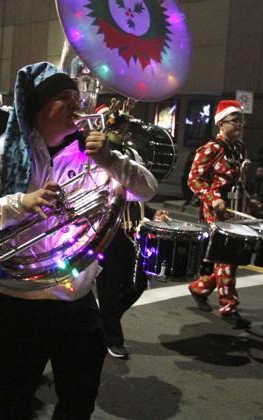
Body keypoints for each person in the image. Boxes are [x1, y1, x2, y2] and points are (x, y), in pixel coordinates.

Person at [0, 62, 158, 420]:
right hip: (18, 301)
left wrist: (111, 159)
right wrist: (21, 202)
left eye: (76, 98)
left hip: (77, 300)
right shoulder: (1, 154)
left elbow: (146, 190)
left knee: (79, 402)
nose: (75, 105)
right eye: (63, 98)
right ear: (37, 106)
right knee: (15, 404)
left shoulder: (93, 153)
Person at [93, 104, 165, 359]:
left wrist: (153, 211)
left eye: (124, 128)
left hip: (135, 229)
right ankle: (112, 336)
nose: (123, 132)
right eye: (117, 128)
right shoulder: (93, 154)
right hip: (108, 231)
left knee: (139, 282)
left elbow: (140, 189)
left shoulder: (132, 152)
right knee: (110, 286)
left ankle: (104, 319)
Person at [187, 100, 252, 328]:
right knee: (228, 257)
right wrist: (212, 198)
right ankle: (228, 306)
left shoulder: (240, 148)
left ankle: (200, 288)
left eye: (241, 121)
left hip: (235, 208)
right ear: (221, 124)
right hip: (215, 210)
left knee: (229, 257)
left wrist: (249, 200)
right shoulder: (210, 148)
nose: (240, 125)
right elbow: (194, 179)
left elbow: (239, 179)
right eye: (235, 121)